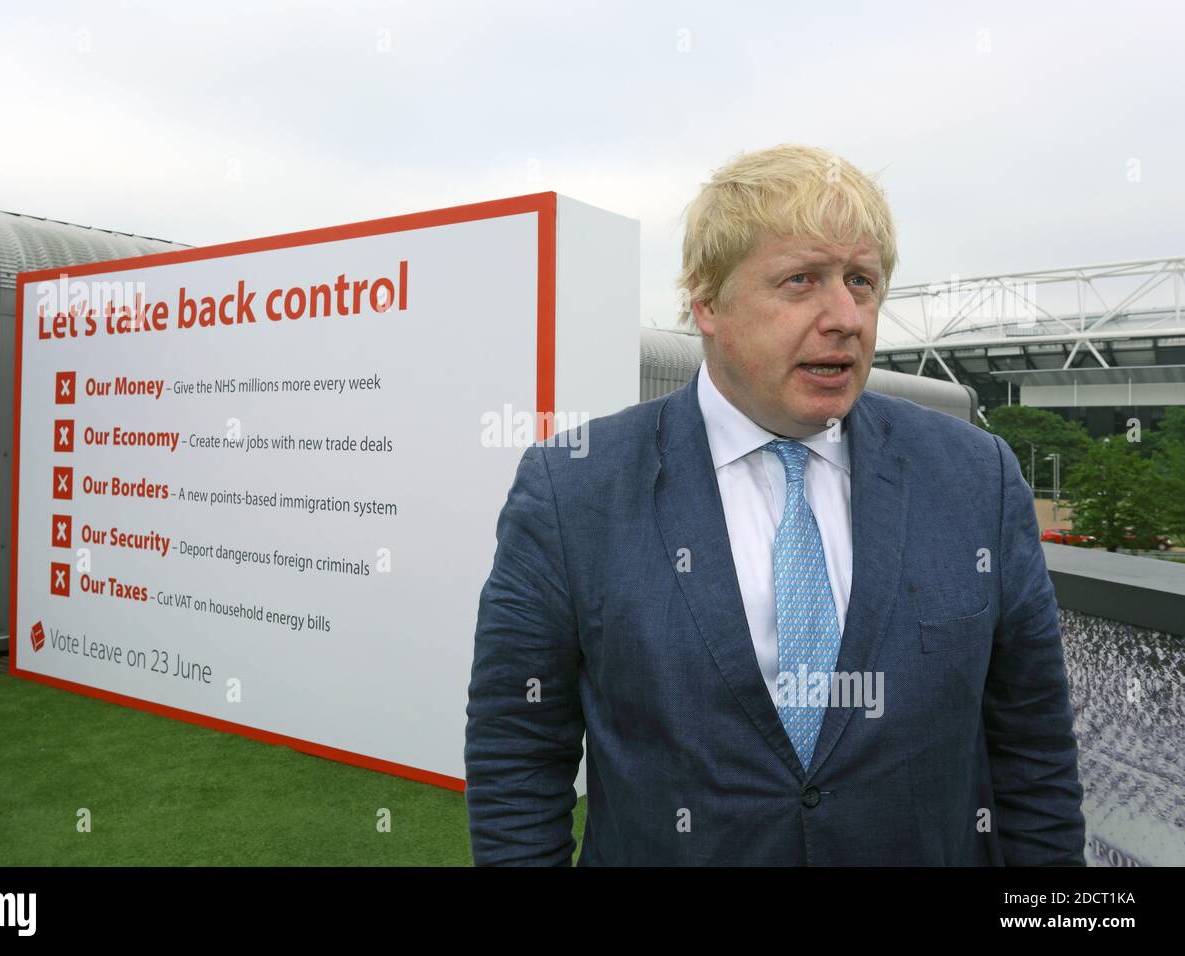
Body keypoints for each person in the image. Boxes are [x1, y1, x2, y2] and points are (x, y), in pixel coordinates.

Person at [463, 143, 1086, 865]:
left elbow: (1033, 746)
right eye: (801, 281)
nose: (846, 316)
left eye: (862, 281)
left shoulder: (977, 476)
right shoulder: (574, 489)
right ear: (706, 302)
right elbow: (518, 749)